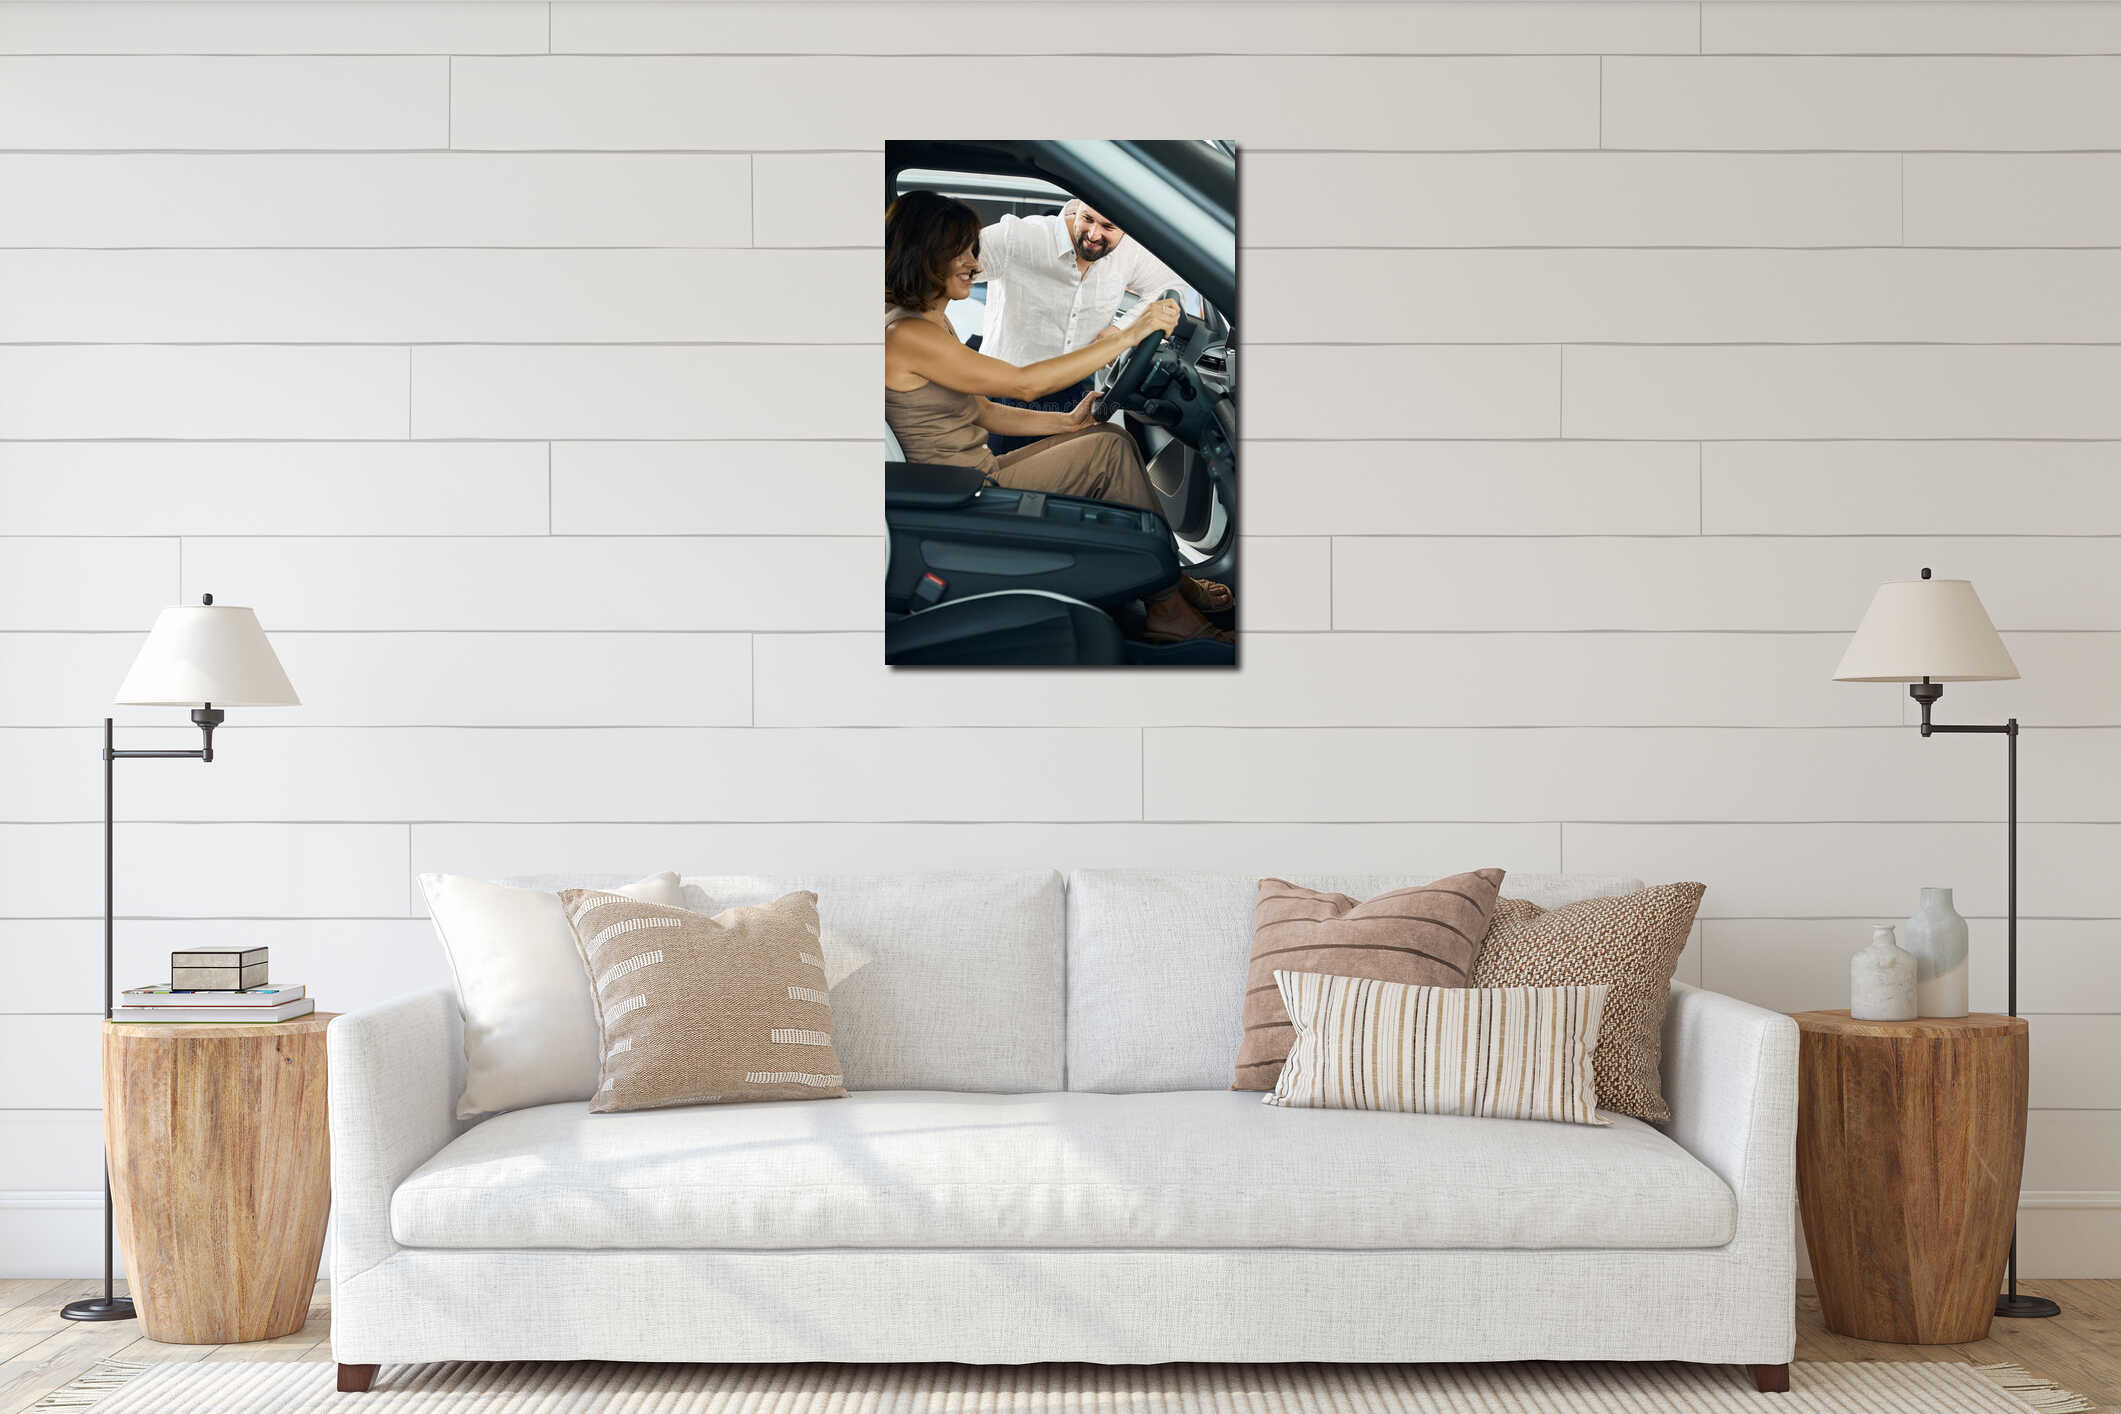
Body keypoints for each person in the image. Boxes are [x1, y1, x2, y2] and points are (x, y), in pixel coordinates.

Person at [885, 190, 1232, 645]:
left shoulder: (929, 323)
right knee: (1107, 453)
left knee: (1111, 439)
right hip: (961, 493)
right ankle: (1167, 606)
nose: (974, 263)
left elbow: (982, 410)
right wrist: (1130, 335)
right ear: (924, 255)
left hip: (972, 474)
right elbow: (1025, 384)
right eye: (961, 253)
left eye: (972, 250)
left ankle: (1168, 582)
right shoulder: (908, 334)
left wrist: (1065, 423)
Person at [972, 198, 1201, 455]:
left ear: (1125, 229)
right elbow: (948, 269)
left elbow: (1171, 285)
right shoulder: (1018, 237)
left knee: (1073, 471)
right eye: (1087, 219)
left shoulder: (1130, 253)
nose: (1093, 234)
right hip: (1006, 395)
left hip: (1075, 394)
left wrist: (1120, 329)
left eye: (1108, 227)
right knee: (1007, 476)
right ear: (1077, 206)